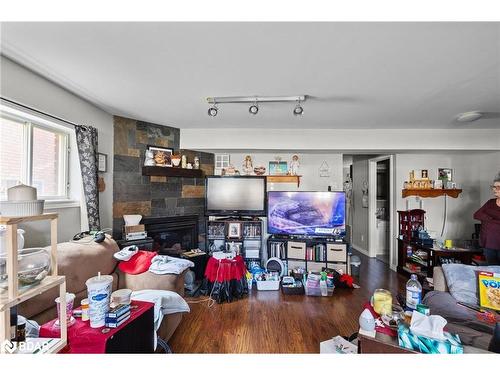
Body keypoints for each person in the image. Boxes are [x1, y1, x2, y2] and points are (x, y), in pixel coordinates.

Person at [474, 174, 500, 265]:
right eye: (493, 187)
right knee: (492, 271)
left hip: (498, 242)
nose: (494, 189)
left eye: (498, 187)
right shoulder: (490, 202)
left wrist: (488, 219)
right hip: (488, 243)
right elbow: (477, 215)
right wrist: (492, 218)